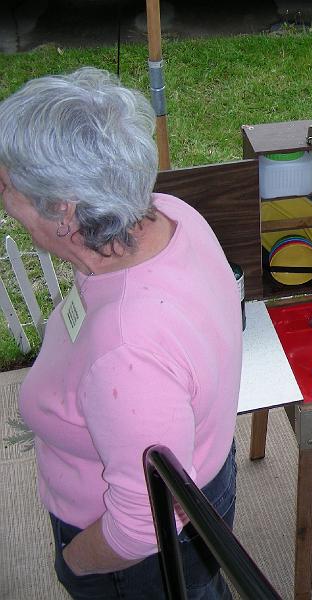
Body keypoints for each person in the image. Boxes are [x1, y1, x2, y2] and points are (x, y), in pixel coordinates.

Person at [0, 67, 243, 598]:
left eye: (7, 183)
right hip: (206, 469)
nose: (1, 193)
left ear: (64, 211)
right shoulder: (171, 216)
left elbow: (140, 527)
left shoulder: (127, 355)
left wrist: (75, 564)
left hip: (139, 556)